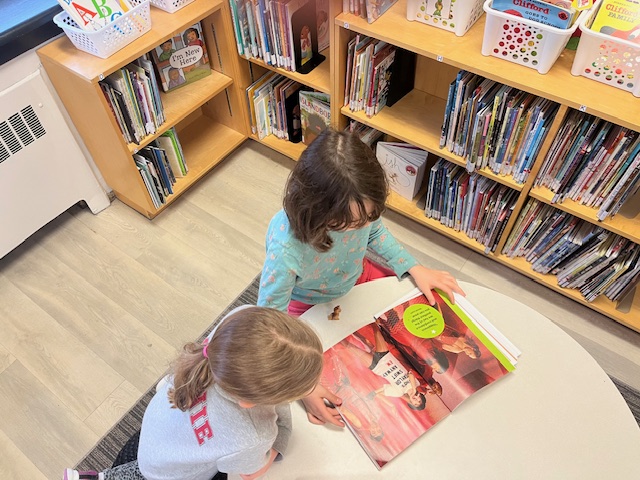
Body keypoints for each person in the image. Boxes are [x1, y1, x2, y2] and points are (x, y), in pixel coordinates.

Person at [257, 128, 464, 426]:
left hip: (360, 277)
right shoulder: (287, 249)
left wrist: (414, 266)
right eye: (345, 223)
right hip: (308, 306)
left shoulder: (358, 209)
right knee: (323, 365)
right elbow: (269, 323)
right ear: (313, 206)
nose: (358, 228)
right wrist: (303, 386)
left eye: (365, 218)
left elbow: (376, 232)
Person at [63, 306, 323, 480]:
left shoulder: (237, 322)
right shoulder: (253, 437)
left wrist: (298, 378)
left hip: (157, 434)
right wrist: (281, 438)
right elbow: (252, 473)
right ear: (248, 402)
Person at [342, 325, 427, 411]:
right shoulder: (416, 384)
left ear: (411, 403)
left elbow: (384, 390)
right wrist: (413, 389)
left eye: (415, 403)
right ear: (420, 396)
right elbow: (410, 374)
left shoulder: (399, 392)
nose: (415, 400)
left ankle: (338, 337)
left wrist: (374, 393)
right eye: (419, 400)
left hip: (376, 367)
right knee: (376, 331)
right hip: (385, 356)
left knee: (350, 347)